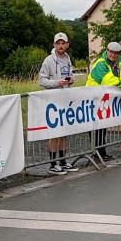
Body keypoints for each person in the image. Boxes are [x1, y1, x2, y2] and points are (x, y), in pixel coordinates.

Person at [38, 32, 79, 175]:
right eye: (58, 43)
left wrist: (71, 80)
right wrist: (57, 83)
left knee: (64, 133)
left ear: (67, 45)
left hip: (65, 100)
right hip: (52, 102)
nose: (60, 46)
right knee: (54, 134)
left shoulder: (67, 58)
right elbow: (41, 81)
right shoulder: (48, 60)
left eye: (63, 43)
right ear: (54, 45)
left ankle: (63, 161)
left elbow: (69, 75)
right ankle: (52, 164)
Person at [86, 41, 121, 161]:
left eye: (116, 53)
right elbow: (108, 80)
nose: (113, 55)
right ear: (107, 51)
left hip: (104, 99)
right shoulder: (101, 64)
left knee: (103, 127)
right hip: (93, 98)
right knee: (96, 127)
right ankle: (97, 153)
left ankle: (102, 153)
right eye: (111, 52)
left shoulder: (119, 63)